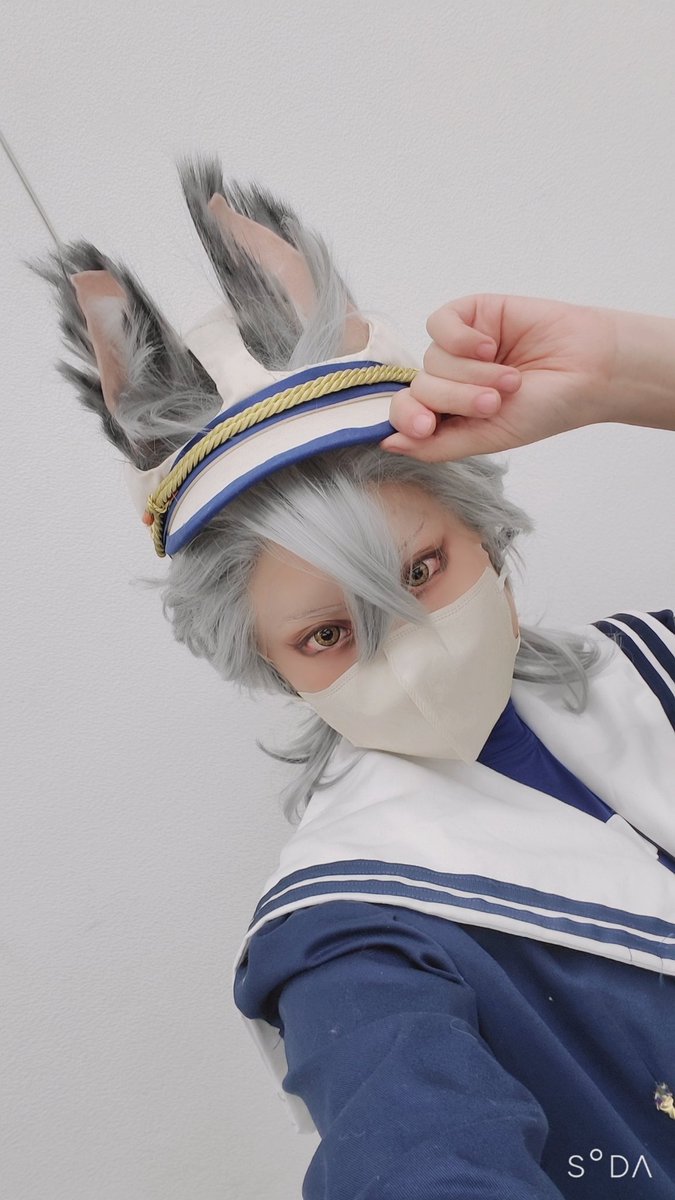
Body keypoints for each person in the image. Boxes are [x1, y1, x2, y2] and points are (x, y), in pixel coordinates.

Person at [29, 153, 675, 1199]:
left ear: (483, 532)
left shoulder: (656, 666)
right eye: (329, 633)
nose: (410, 647)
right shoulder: (350, 934)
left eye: (422, 571)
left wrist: (631, 370)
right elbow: (413, 1149)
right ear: (265, 661)